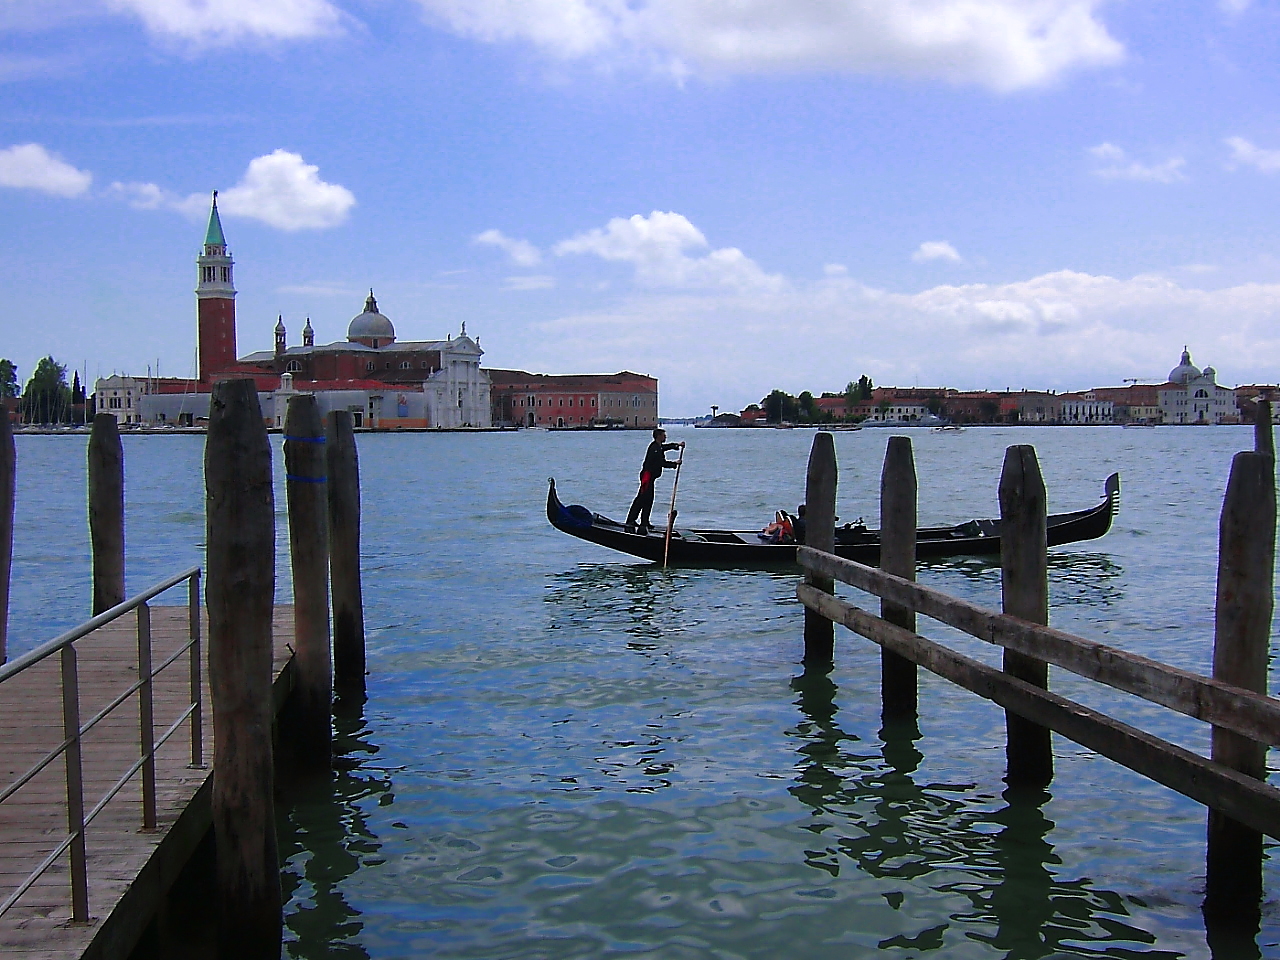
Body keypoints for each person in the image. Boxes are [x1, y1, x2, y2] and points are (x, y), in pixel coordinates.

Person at [625, 428, 684, 535]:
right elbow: (661, 463)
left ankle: (644, 522)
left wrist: (677, 445)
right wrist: (675, 463)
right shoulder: (654, 448)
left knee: (648, 500)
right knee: (642, 499)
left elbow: (665, 447)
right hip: (647, 478)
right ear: (658, 436)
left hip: (651, 478)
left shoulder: (658, 446)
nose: (665, 437)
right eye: (664, 435)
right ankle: (631, 520)